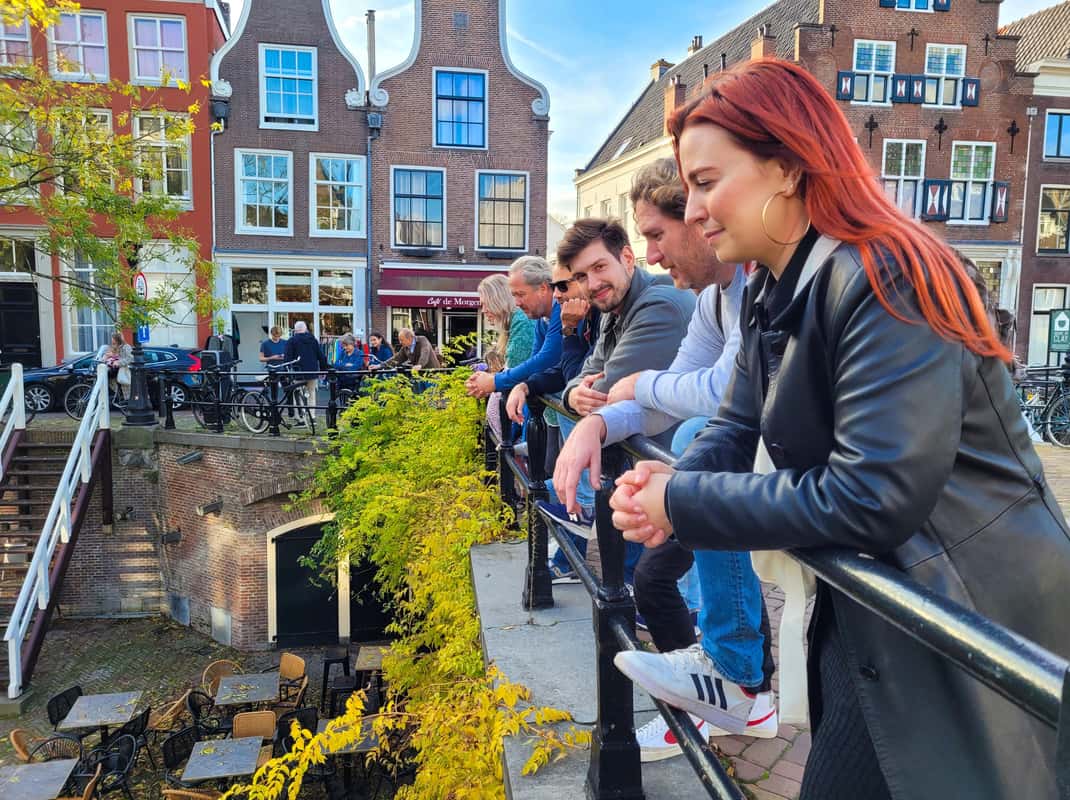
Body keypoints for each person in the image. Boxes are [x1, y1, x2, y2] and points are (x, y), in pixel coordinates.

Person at [608, 58, 1070, 800]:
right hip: (879, 605)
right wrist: (667, 486)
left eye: (706, 181)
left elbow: (873, 494)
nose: (692, 210)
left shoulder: (890, 274)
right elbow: (735, 421)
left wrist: (682, 505)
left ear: (787, 167)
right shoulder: (773, 286)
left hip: (969, 615)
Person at [553, 159, 777, 760]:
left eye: (655, 235)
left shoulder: (753, 287)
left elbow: (717, 394)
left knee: (689, 443)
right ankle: (734, 683)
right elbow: (670, 389)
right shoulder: (711, 302)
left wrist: (634, 391)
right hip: (755, 471)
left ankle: (733, 678)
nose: (652, 254)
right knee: (682, 461)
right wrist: (596, 424)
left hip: (809, 478)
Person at [555, 217, 695, 589]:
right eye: (582, 276)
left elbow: (607, 387)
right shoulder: (612, 308)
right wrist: (572, 394)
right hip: (659, 464)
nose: (592, 284)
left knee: (683, 586)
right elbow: (583, 378)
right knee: (655, 582)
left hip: (683, 461)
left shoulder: (661, 304)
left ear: (628, 258)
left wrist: (584, 397)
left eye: (599, 267)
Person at [504, 260, 601, 582]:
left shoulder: (569, 314)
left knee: (580, 488)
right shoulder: (551, 318)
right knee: (572, 484)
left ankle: (572, 559)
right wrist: (524, 385)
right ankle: (568, 556)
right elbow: (557, 368)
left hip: (585, 414)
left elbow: (563, 367)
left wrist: (501, 381)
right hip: (570, 412)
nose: (516, 303)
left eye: (520, 294)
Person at [465, 256, 562, 400]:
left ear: (543, 289)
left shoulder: (558, 312)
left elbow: (545, 358)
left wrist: (494, 381)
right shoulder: (542, 319)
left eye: (520, 294)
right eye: (513, 296)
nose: (516, 303)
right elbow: (535, 363)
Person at [476, 272, 535, 441]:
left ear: (498, 300)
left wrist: (489, 382)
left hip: (528, 409)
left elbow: (517, 369)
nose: (484, 310)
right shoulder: (516, 322)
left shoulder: (522, 322)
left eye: (486, 304)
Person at [284, 320, 327, 421]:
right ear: (305, 329)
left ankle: (301, 418)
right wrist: (323, 369)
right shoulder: (313, 339)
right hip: (312, 372)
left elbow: (287, 358)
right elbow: (320, 355)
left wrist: (286, 371)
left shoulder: (292, 341)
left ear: (295, 330)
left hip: (298, 372)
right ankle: (312, 417)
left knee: (297, 394)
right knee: (311, 394)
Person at [102, 332, 133, 400]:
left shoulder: (126, 347)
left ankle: (124, 400)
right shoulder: (114, 346)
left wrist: (118, 362)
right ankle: (117, 395)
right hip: (115, 369)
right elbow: (108, 354)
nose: (112, 340)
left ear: (117, 339)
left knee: (124, 386)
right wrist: (105, 357)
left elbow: (130, 358)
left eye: (113, 339)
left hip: (123, 370)